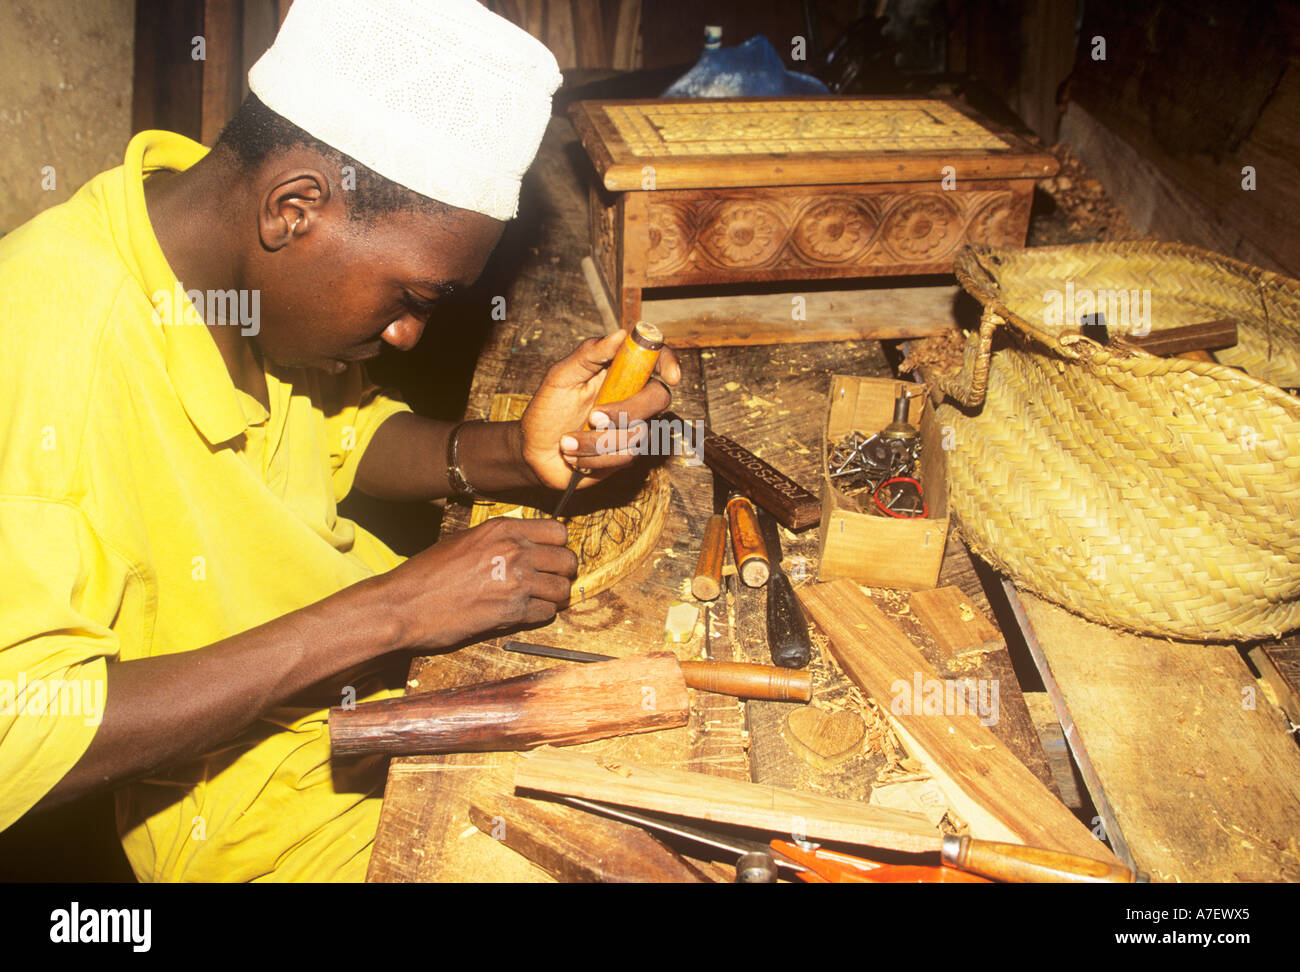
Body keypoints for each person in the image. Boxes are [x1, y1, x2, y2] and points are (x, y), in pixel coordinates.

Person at [0, 0, 678, 881]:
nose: (407, 339)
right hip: (276, 823)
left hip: (391, 710)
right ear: (294, 207)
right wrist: (393, 610)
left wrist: (519, 450)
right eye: (411, 299)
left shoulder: (231, 276)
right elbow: (23, 727)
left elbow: (333, 440)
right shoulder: (50, 333)